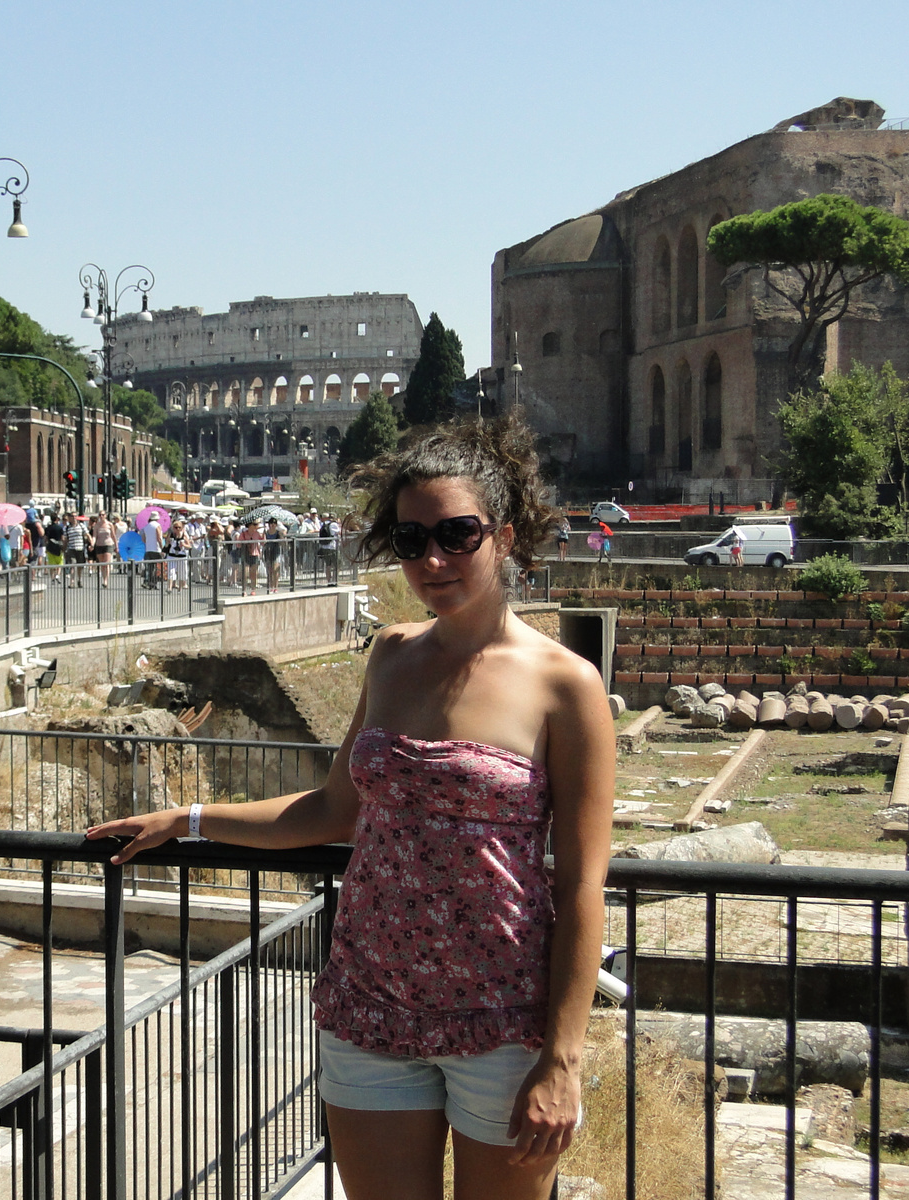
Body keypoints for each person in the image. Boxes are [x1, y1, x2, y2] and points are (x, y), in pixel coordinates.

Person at [87, 418, 614, 1200]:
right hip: (370, 1006)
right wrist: (187, 820)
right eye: (410, 539)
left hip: (503, 1021)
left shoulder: (567, 686)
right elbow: (334, 810)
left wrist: (563, 1059)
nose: (432, 559)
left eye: (456, 534)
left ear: (503, 535)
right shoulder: (392, 655)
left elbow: (580, 887)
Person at [164, 518, 191, 591]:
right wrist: (167, 543)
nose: (178, 529)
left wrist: (184, 545)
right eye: (176, 527)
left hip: (182, 556)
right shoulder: (171, 535)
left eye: (179, 527)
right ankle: (169, 588)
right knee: (171, 572)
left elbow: (189, 546)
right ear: (173, 528)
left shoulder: (184, 535)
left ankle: (180, 587)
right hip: (172, 555)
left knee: (182, 572)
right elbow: (166, 545)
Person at [263, 516, 287, 593]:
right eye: (271, 523)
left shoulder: (278, 533)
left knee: (275, 570)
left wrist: (283, 537)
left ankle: (275, 587)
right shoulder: (266, 533)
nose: (272, 525)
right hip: (268, 552)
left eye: (274, 524)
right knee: (269, 570)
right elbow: (263, 542)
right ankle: (270, 586)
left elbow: (283, 543)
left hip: (276, 552)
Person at [88, 511, 112, 586]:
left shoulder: (109, 524)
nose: (101, 516)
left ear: (105, 515)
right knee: (102, 564)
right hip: (99, 545)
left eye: (103, 515)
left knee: (106, 563)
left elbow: (113, 536)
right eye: (100, 515)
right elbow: (94, 536)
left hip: (108, 544)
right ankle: (104, 578)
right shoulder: (97, 526)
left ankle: (105, 581)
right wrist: (92, 544)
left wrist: (116, 546)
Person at [141, 511, 164, 588]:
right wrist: (162, 548)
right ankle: (154, 582)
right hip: (156, 549)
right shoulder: (157, 525)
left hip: (148, 549)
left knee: (150, 567)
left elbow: (143, 539)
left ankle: (149, 582)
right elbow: (159, 538)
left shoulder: (146, 527)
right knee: (158, 567)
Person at [319, 512, 341, 585]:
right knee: (337, 564)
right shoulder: (334, 524)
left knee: (328, 565)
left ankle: (329, 581)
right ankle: (335, 580)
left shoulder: (323, 524)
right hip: (333, 547)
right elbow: (339, 532)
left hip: (324, 547)